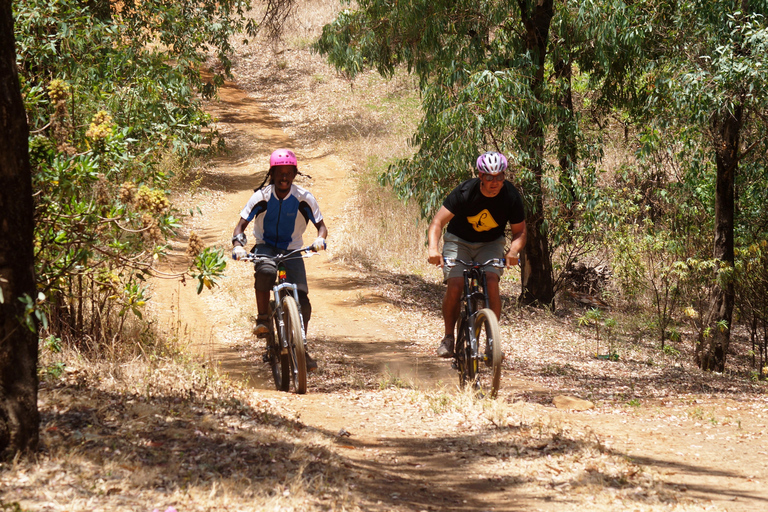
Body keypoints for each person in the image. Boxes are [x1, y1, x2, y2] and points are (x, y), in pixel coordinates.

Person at [231, 149, 328, 371]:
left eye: (289, 173)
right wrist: (238, 245)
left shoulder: (304, 198)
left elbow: (321, 227)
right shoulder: (262, 197)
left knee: (303, 304)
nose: (284, 178)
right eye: (279, 173)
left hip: (294, 249)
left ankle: (300, 348)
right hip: (266, 245)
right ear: (272, 174)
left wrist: (320, 240)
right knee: (265, 272)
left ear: (295, 174)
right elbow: (240, 226)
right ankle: (263, 318)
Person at [427, 151, 527, 358]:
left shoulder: (510, 196)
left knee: (491, 281)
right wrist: (433, 249)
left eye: (500, 177)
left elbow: (520, 231)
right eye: (489, 177)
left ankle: (492, 340)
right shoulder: (465, 192)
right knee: (455, 285)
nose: (495, 182)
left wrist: (513, 251)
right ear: (480, 176)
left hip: (490, 244)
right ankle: (448, 338)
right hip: (459, 241)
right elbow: (437, 223)